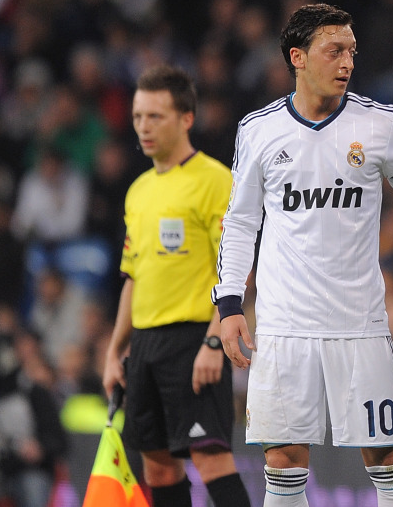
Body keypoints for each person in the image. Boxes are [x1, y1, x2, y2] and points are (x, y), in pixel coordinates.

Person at [212, 3, 393, 507]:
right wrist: (228, 305)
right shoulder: (259, 131)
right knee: (284, 464)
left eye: (352, 52)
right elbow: (241, 223)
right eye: (334, 51)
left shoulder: (379, 123)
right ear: (298, 56)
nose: (347, 63)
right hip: (284, 325)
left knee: (389, 460)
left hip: (360, 323)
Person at [102, 64, 251, 507]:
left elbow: (236, 266)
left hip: (194, 339)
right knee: (158, 466)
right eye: (137, 117)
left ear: (186, 118)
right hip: (145, 345)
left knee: (211, 460)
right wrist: (114, 352)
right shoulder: (138, 190)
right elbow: (133, 278)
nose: (143, 128)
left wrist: (212, 339)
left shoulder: (215, 180)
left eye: (155, 116)